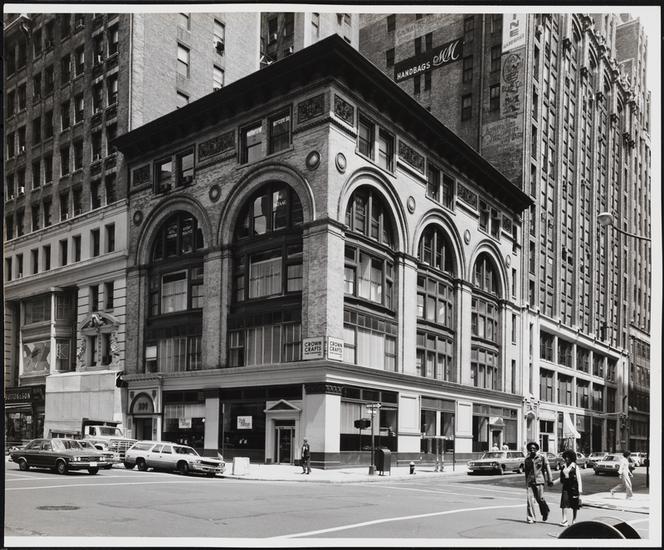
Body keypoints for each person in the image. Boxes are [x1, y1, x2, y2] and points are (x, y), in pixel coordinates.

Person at [524, 441, 553, 524]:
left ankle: (545, 511)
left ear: (536, 449)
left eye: (533, 448)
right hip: (530, 481)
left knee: (540, 499)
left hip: (539, 481)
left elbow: (547, 468)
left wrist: (550, 479)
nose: (532, 449)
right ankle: (531, 517)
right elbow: (526, 472)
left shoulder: (542, 457)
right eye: (530, 448)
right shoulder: (527, 459)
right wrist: (526, 482)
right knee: (529, 500)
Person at [559, 449, 582, 526]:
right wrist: (553, 482)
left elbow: (579, 479)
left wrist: (580, 491)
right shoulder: (563, 466)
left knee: (574, 504)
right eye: (565, 457)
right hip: (565, 486)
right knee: (564, 503)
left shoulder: (575, 466)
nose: (566, 458)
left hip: (574, 487)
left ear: (571, 458)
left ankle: (574, 520)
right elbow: (561, 478)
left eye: (568, 457)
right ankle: (564, 520)